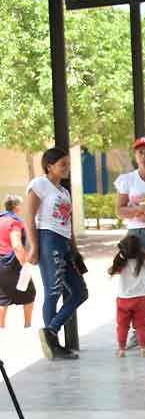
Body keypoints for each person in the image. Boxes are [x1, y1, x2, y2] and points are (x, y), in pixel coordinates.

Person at [25, 148, 86, 360]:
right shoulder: (40, 184)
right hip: (48, 239)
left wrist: (75, 249)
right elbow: (29, 217)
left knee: (80, 292)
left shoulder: (64, 191)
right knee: (53, 290)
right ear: (49, 166)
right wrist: (34, 246)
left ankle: (51, 330)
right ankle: (54, 345)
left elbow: (68, 222)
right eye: (62, 164)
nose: (67, 168)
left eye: (68, 164)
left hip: (64, 243)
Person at [109, 233, 145, 357]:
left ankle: (121, 349)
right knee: (141, 325)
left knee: (122, 326)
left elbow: (111, 271)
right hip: (141, 298)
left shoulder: (121, 262)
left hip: (123, 299)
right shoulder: (144, 260)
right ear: (140, 248)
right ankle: (143, 348)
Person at [0, 195, 36, 329]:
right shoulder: (14, 222)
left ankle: (1, 329)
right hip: (11, 263)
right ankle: (27, 326)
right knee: (29, 292)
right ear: (16, 207)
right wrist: (24, 265)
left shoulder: (0, 219)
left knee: (2, 297)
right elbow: (16, 245)